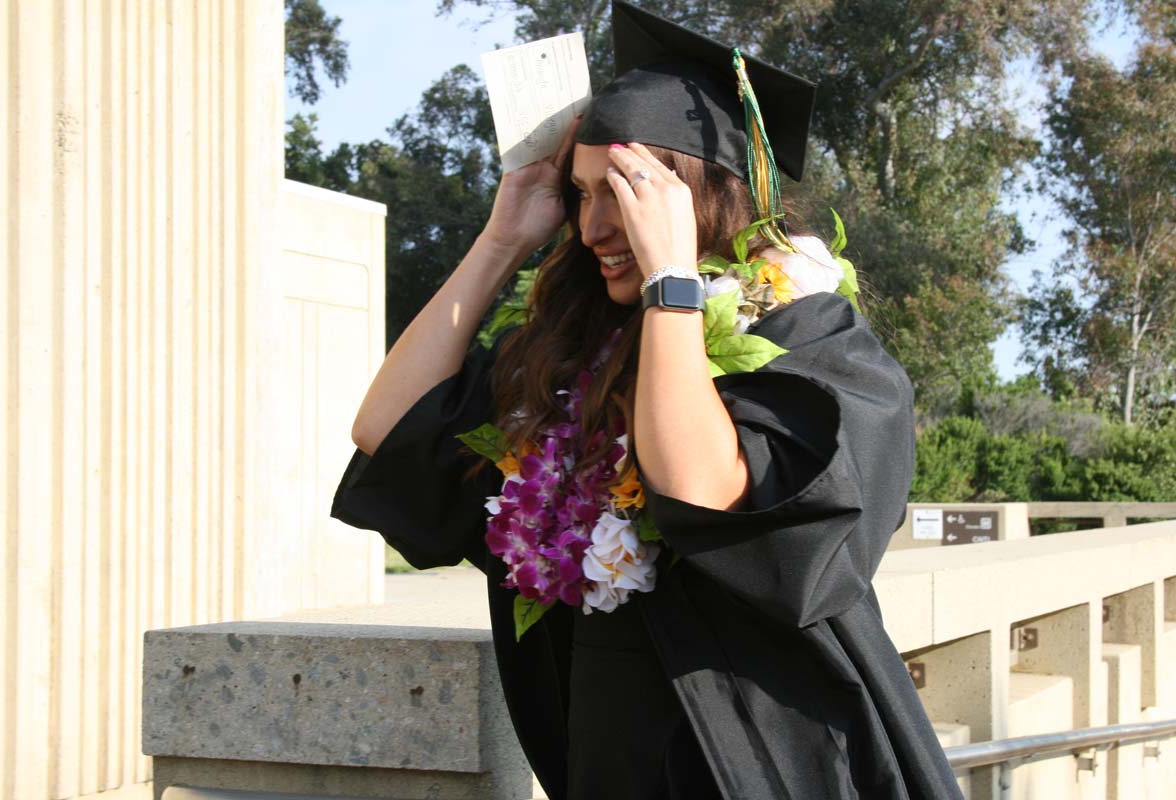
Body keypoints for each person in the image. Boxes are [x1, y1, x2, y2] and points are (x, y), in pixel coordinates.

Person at [332, 3, 964, 798]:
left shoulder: (811, 337)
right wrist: (502, 238)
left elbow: (700, 488)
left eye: (624, 191)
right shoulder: (575, 359)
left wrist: (673, 279)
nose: (594, 225)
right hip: (616, 757)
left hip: (782, 758)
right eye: (581, 193)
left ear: (695, 191)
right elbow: (386, 427)